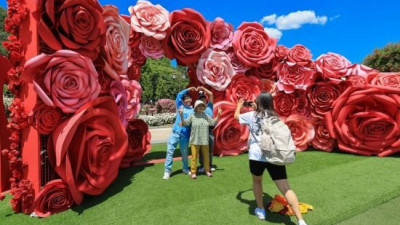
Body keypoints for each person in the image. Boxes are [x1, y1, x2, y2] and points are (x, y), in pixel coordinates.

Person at [234, 92, 308, 225]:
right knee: (286, 188)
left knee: (257, 182)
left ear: (259, 103)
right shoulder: (275, 117)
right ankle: (301, 221)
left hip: (256, 156)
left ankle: (261, 209)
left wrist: (240, 105)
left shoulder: (252, 115)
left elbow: (236, 117)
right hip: (275, 155)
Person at [179, 100, 222, 179]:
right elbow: (185, 123)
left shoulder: (205, 115)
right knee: (194, 157)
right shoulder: (192, 115)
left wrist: (219, 114)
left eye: (202, 106)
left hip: (204, 140)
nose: (201, 107)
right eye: (199, 106)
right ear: (196, 107)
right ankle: (193, 172)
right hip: (194, 140)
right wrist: (181, 115)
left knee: (206, 157)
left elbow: (212, 123)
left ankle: (207, 170)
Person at [163, 87, 196, 180]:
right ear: (183, 101)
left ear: (191, 99)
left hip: (185, 136)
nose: (187, 100)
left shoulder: (193, 111)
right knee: (170, 151)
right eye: (185, 99)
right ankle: (167, 171)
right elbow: (179, 95)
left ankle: (185, 169)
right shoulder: (180, 106)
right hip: (175, 133)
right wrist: (189, 89)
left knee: (185, 154)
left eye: (188, 98)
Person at [196, 87, 216, 173]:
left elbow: (211, 94)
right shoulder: (197, 109)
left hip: (209, 131)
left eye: (204, 98)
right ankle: (202, 165)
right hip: (201, 131)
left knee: (210, 150)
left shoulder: (209, 107)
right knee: (201, 150)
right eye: (201, 99)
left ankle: (210, 165)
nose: (203, 100)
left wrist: (202, 88)